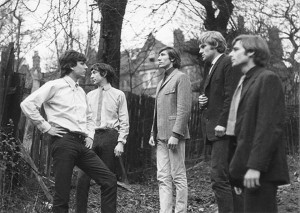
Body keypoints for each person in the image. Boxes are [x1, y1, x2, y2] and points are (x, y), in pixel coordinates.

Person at [20, 50, 117, 213]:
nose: (86, 67)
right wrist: (46, 127)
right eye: (82, 64)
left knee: (109, 180)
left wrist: (90, 136)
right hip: (63, 141)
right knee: (62, 195)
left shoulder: (81, 92)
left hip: (82, 144)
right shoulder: (54, 86)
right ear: (71, 66)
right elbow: (27, 104)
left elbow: (89, 118)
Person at [226, 34, 290, 212]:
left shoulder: (267, 79)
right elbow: (240, 131)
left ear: (251, 51)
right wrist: (237, 173)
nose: (231, 54)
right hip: (246, 171)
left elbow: (268, 128)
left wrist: (255, 167)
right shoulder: (245, 81)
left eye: (236, 49)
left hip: (261, 171)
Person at [198, 31, 242, 213]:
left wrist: (222, 122)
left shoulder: (227, 62)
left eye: (203, 46)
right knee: (229, 178)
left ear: (215, 45)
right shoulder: (213, 66)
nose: (199, 50)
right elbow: (218, 96)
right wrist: (204, 101)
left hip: (223, 129)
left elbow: (231, 96)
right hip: (218, 128)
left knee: (219, 178)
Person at [76, 63, 129, 213]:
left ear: (104, 74)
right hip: (91, 137)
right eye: (91, 72)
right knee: (82, 178)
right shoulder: (89, 95)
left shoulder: (119, 94)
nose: (91, 75)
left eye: (94, 72)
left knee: (108, 180)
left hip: (110, 136)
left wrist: (121, 142)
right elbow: (85, 119)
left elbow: (124, 120)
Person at [149, 46, 192, 213]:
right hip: (160, 136)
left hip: (174, 136)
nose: (158, 58)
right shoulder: (160, 82)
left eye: (162, 55)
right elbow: (157, 111)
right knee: (162, 177)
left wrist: (176, 134)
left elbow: (184, 109)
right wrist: (152, 133)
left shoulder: (181, 77)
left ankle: (181, 211)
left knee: (178, 176)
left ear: (172, 59)